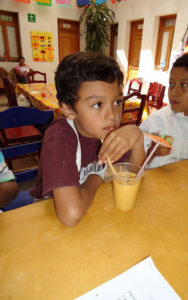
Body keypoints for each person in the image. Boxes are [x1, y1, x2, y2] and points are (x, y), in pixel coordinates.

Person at [30, 52, 145, 227]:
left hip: (93, 214)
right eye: (98, 104)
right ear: (68, 109)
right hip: (52, 221)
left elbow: (131, 177)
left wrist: (137, 137)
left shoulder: (107, 132)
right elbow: (70, 215)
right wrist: (96, 177)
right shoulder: (59, 138)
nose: (112, 116)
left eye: (117, 102)